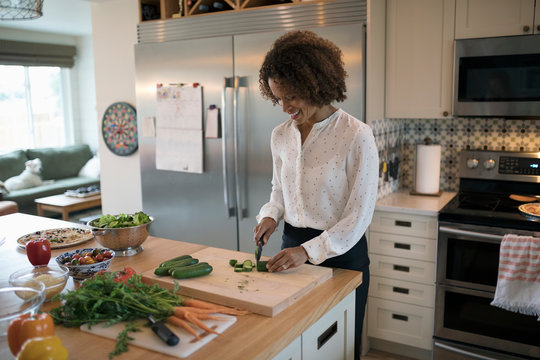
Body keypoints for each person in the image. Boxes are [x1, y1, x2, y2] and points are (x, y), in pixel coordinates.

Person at [253, 30, 379, 359]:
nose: (284, 107)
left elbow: (359, 216)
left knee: (336, 348)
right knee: (296, 343)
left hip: (342, 255)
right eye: (277, 97)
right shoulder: (280, 135)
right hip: (291, 248)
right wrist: (270, 214)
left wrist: (307, 252)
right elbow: (280, 189)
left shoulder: (357, 135)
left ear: (317, 85)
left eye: (292, 96)